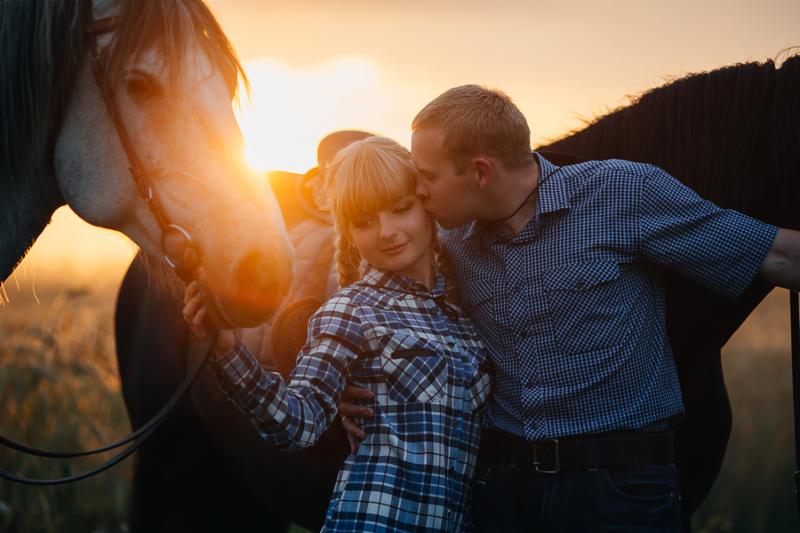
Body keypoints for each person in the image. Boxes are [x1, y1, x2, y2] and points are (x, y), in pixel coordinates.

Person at [342, 85, 800, 531]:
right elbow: (357, 299)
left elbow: (776, 256)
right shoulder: (450, 241)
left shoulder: (621, 193)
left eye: (428, 175)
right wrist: (347, 377)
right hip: (504, 491)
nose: (419, 191)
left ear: (480, 172)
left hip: (622, 490)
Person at [183, 136, 492, 532]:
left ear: (425, 206)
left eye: (401, 210)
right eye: (365, 221)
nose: (387, 231)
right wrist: (226, 346)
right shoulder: (351, 310)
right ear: (348, 231)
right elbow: (295, 424)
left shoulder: (461, 314)